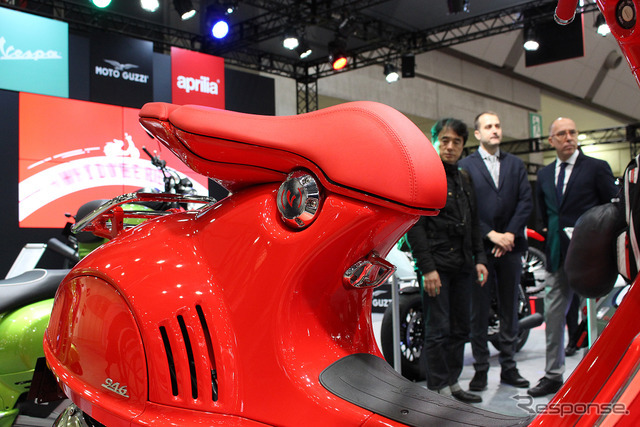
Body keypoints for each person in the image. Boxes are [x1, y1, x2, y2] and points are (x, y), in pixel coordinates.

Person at [528, 117, 618, 397]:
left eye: (572, 132)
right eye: (562, 134)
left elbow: (613, 209)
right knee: (553, 316)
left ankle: (600, 374)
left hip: (592, 259)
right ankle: (553, 375)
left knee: (596, 318)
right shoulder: (545, 175)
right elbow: (544, 214)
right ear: (551, 140)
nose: (568, 137)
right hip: (557, 257)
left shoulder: (596, 168)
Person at [406, 118, 489, 404]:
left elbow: (474, 222)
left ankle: (452, 384)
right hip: (437, 268)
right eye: (445, 140)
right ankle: (437, 388)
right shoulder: (425, 177)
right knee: (438, 330)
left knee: (460, 328)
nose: (450, 146)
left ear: (463, 146)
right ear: (435, 141)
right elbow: (415, 226)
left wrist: (480, 258)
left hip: (464, 266)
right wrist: (427, 268)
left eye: (456, 142)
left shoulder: (465, 178)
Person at [458, 111, 533, 391]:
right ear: (478, 133)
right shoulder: (465, 166)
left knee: (509, 309)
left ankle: (509, 367)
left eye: (498, 125)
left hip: (510, 249)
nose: (495, 130)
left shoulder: (515, 164)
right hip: (480, 250)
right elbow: (466, 208)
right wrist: (491, 235)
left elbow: (525, 202)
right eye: (488, 126)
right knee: (478, 310)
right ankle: (480, 369)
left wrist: (509, 235)